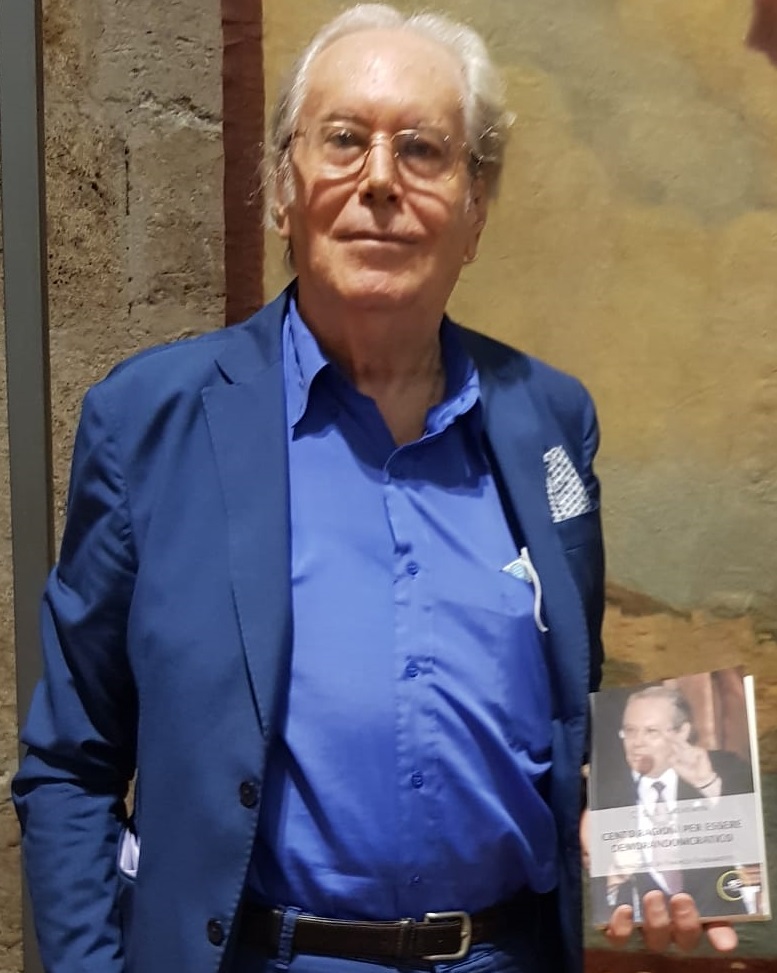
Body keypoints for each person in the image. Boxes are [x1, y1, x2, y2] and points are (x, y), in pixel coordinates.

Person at [12, 5, 737, 972]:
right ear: (283, 188)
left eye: (424, 150)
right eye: (345, 140)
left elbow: (567, 716)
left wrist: (638, 857)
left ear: (475, 209)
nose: (381, 180)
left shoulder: (550, 419)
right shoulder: (150, 421)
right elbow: (71, 764)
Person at [591, 685, 754, 921]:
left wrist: (708, 785)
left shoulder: (725, 769)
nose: (637, 743)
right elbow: (593, 894)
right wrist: (612, 880)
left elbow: (755, 843)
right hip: (642, 929)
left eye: (651, 732)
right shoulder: (602, 792)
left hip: (724, 917)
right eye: (630, 731)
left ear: (682, 732)